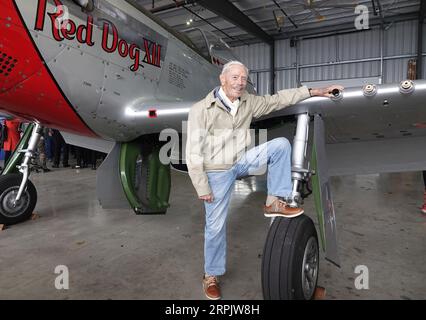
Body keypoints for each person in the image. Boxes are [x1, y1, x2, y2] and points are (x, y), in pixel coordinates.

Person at [185, 60, 343, 300]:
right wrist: (201, 186)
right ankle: (211, 275)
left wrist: (314, 91)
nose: (240, 83)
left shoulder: (248, 101)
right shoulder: (201, 109)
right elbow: (192, 152)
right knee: (215, 226)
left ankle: (274, 202)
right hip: (216, 170)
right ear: (223, 79)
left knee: (280, 145)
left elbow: (277, 99)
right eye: (235, 77)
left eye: (243, 78)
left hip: (240, 160)